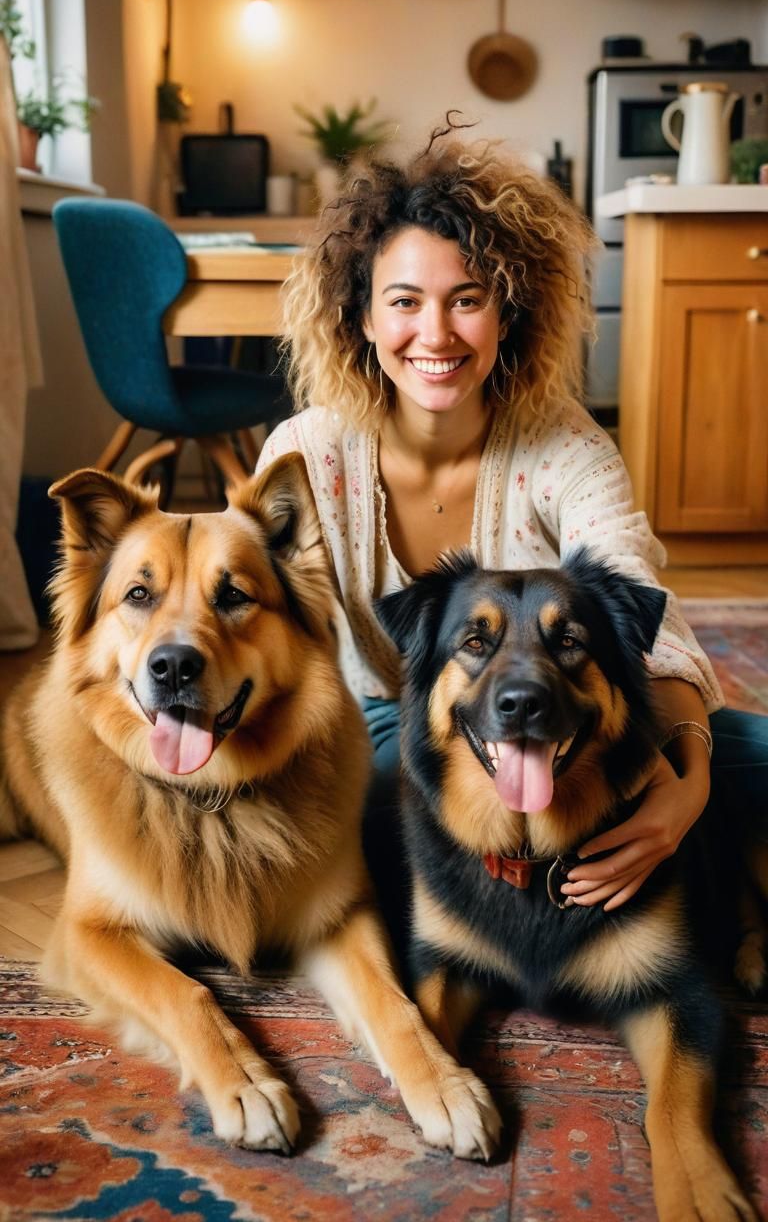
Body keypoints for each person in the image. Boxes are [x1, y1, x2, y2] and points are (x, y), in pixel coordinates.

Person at [256, 121, 767, 915]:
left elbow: (640, 615)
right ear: (361, 317)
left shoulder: (565, 443)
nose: (436, 333)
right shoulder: (308, 453)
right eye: (404, 302)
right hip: (390, 729)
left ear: (507, 314)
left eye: (467, 300)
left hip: (560, 714)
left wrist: (688, 784)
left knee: (754, 764)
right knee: (373, 809)